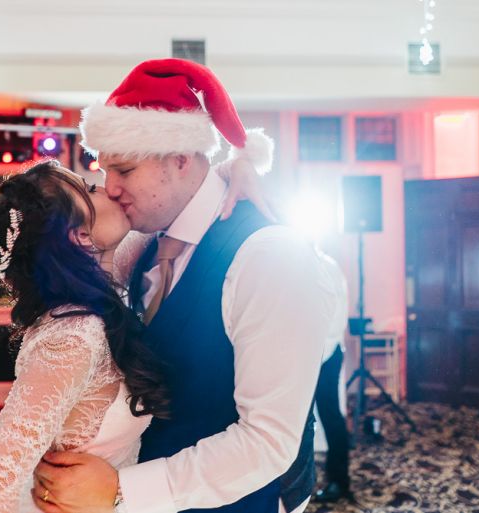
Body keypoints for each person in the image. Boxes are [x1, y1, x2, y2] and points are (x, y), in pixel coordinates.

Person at [32, 58, 336, 513]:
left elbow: (269, 441)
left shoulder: (269, 255)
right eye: (105, 170)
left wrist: (121, 491)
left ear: (179, 158)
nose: (108, 187)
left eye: (125, 170)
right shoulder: (146, 243)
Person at [0, 157, 270, 512]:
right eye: (91, 190)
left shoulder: (111, 275)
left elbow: (182, 199)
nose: (109, 189)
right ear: (79, 236)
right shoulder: (72, 336)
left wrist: (239, 168)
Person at [312, 252, 352, 503]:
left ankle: (339, 480)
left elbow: (336, 317)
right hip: (309, 351)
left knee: (329, 414)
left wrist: (317, 352)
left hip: (325, 352)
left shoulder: (327, 265)